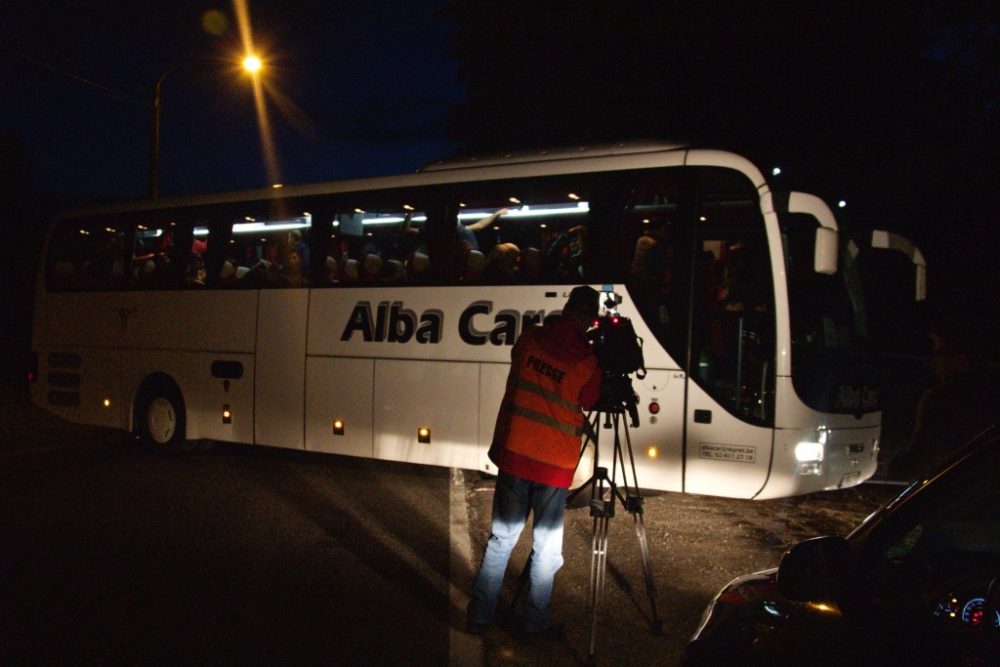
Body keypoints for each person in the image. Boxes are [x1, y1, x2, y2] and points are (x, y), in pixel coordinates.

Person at [467, 285, 603, 639]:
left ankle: (479, 617)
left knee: (501, 539)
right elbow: (590, 399)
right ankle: (534, 621)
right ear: (589, 320)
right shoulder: (587, 361)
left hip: (516, 455)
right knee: (545, 547)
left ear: (567, 308)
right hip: (553, 466)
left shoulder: (529, 340)